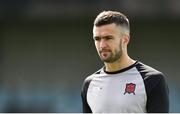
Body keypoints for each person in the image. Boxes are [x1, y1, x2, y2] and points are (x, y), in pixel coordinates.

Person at [81, 10, 169, 113]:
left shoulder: (152, 80)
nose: (102, 45)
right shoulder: (90, 84)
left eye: (108, 38)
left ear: (125, 40)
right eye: (97, 39)